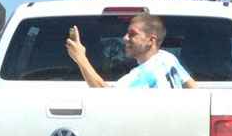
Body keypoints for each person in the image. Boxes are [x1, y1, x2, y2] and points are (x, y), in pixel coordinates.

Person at [66, 13, 197, 88]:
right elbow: (192, 87)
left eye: (132, 34)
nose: (125, 38)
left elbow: (104, 96)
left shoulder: (143, 76)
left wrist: (80, 59)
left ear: (151, 40)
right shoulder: (167, 58)